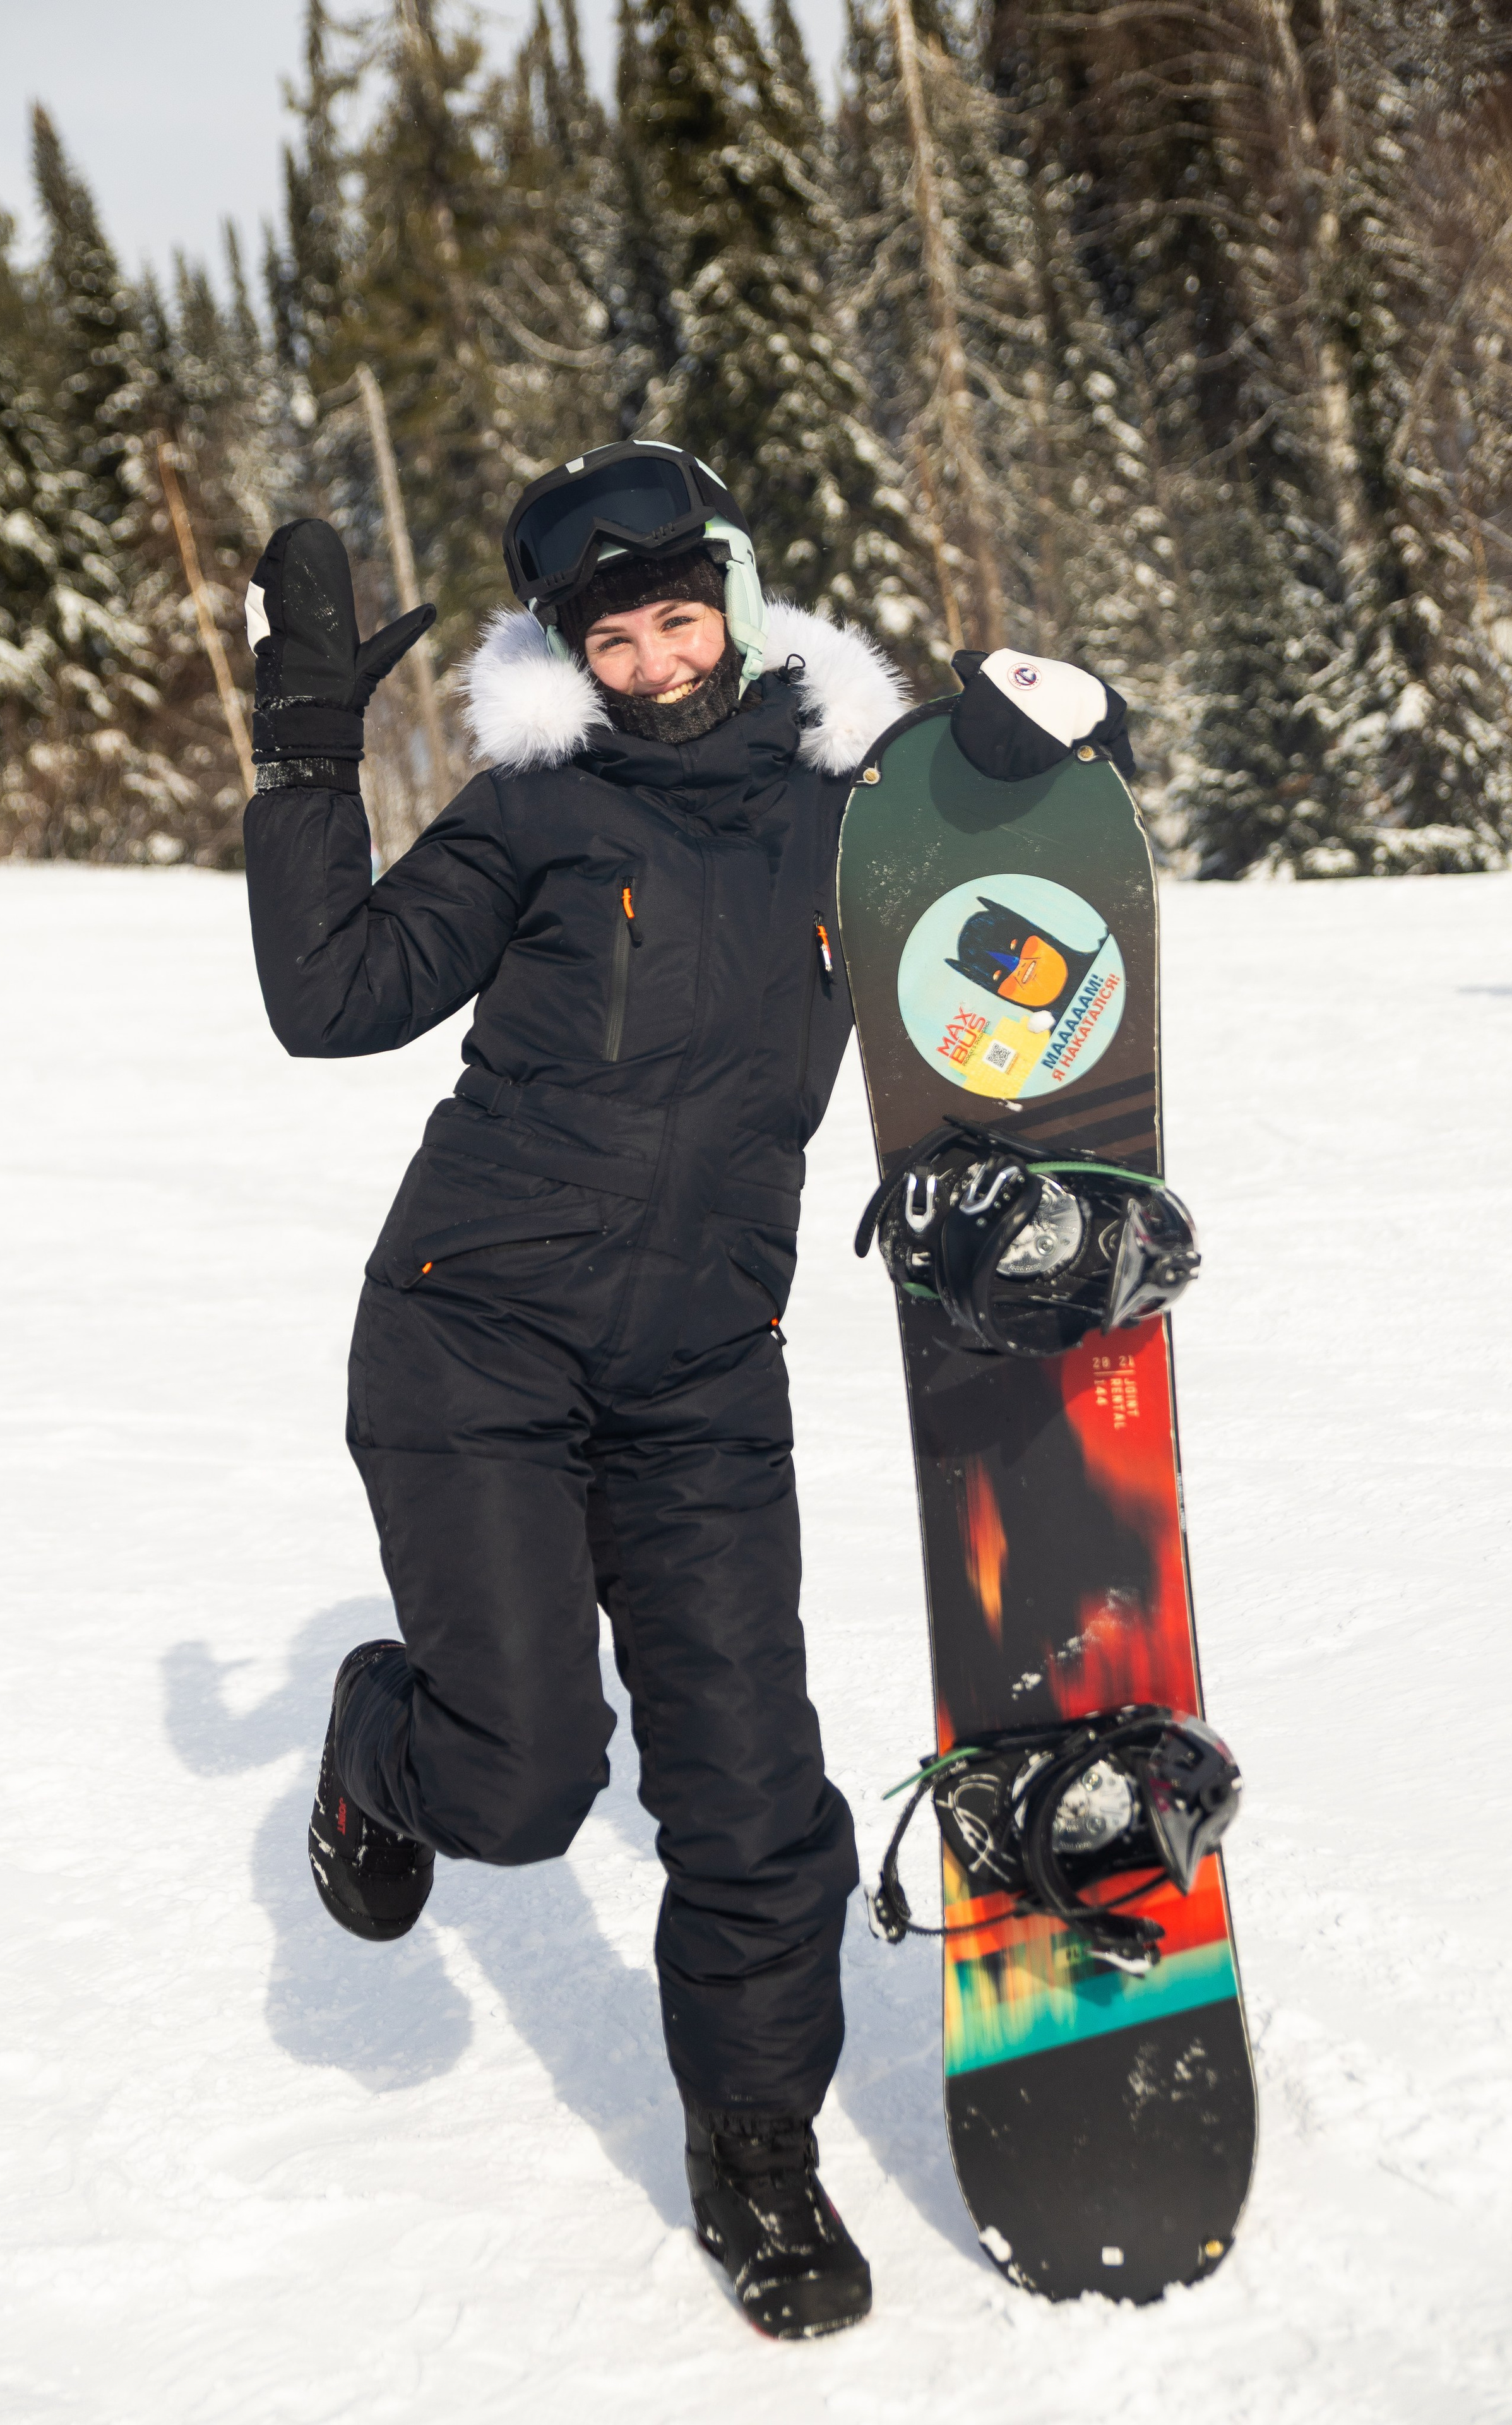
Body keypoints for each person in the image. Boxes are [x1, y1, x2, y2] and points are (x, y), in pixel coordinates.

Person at [241, 440, 1128, 2340]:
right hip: (472, 1334)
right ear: (570, 654)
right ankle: (387, 1737)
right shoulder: (535, 814)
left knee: (754, 1800)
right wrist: (309, 761)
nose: (657, 660)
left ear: (732, 590)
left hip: (706, 1373)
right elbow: (331, 992)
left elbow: (1000, 952)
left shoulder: (850, 808)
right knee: (525, 1777)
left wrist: (1046, 792)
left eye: (679, 617)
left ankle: (755, 2146)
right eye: (614, 638)